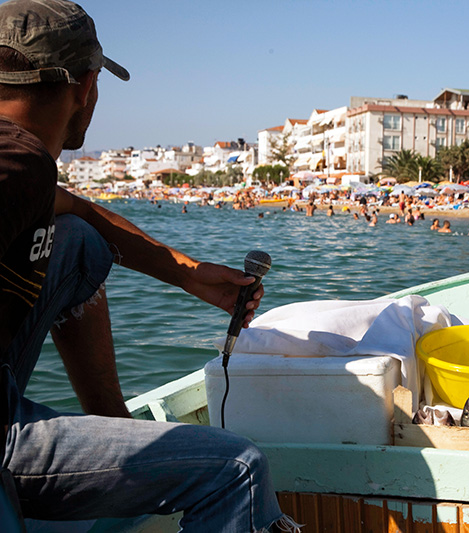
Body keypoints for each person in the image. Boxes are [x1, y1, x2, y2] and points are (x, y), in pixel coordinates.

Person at [0, 1, 297, 531]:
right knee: (237, 469)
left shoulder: (29, 173)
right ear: (87, 89)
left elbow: (77, 208)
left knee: (80, 241)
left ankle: (110, 424)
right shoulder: (18, 164)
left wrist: (185, 272)